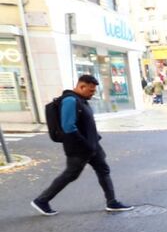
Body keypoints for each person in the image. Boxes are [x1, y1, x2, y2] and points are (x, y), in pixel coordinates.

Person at [32, 75, 133, 216]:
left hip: (92, 145)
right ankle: (42, 200)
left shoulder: (81, 100)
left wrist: (95, 142)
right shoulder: (70, 100)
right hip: (79, 148)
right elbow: (68, 127)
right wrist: (86, 145)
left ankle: (112, 202)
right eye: (91, 91)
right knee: (70, 174)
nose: (92, 93)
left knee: (103, 170)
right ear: (81, 86)